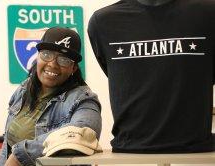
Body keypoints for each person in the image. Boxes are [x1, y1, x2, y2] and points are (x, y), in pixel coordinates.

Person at [88, 0, 215, 153]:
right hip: (131, 150)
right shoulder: (103, 21)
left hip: (196, 147)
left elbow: (205, 75)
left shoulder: (208, 13)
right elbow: (120, 75)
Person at [0, 27, 102, 166]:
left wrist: (20, 154)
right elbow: (7, 146)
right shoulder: (24, 89)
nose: (52, 64)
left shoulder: (84, 99)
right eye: (46, 54)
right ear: (38, 56)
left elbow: (82, 134)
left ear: (74, 68)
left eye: (64, 59)